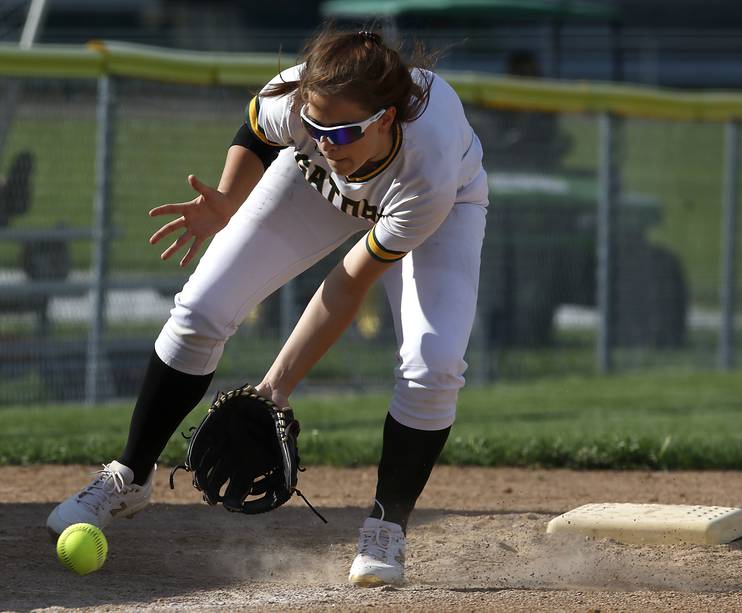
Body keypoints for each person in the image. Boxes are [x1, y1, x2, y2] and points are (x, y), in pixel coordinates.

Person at [46, 28, 489, 587]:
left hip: (434, 208)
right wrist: (228, 201)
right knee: (200, 310)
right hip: (319, 188)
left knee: (434, 365)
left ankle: (386, 528)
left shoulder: (429, 169)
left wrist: (275, 387)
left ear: (386, 119)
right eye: (316, 125)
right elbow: (258, 129)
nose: (326, 139)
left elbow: (348, 284)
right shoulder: (301, 108)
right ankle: (129, 476)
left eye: (343, 129)